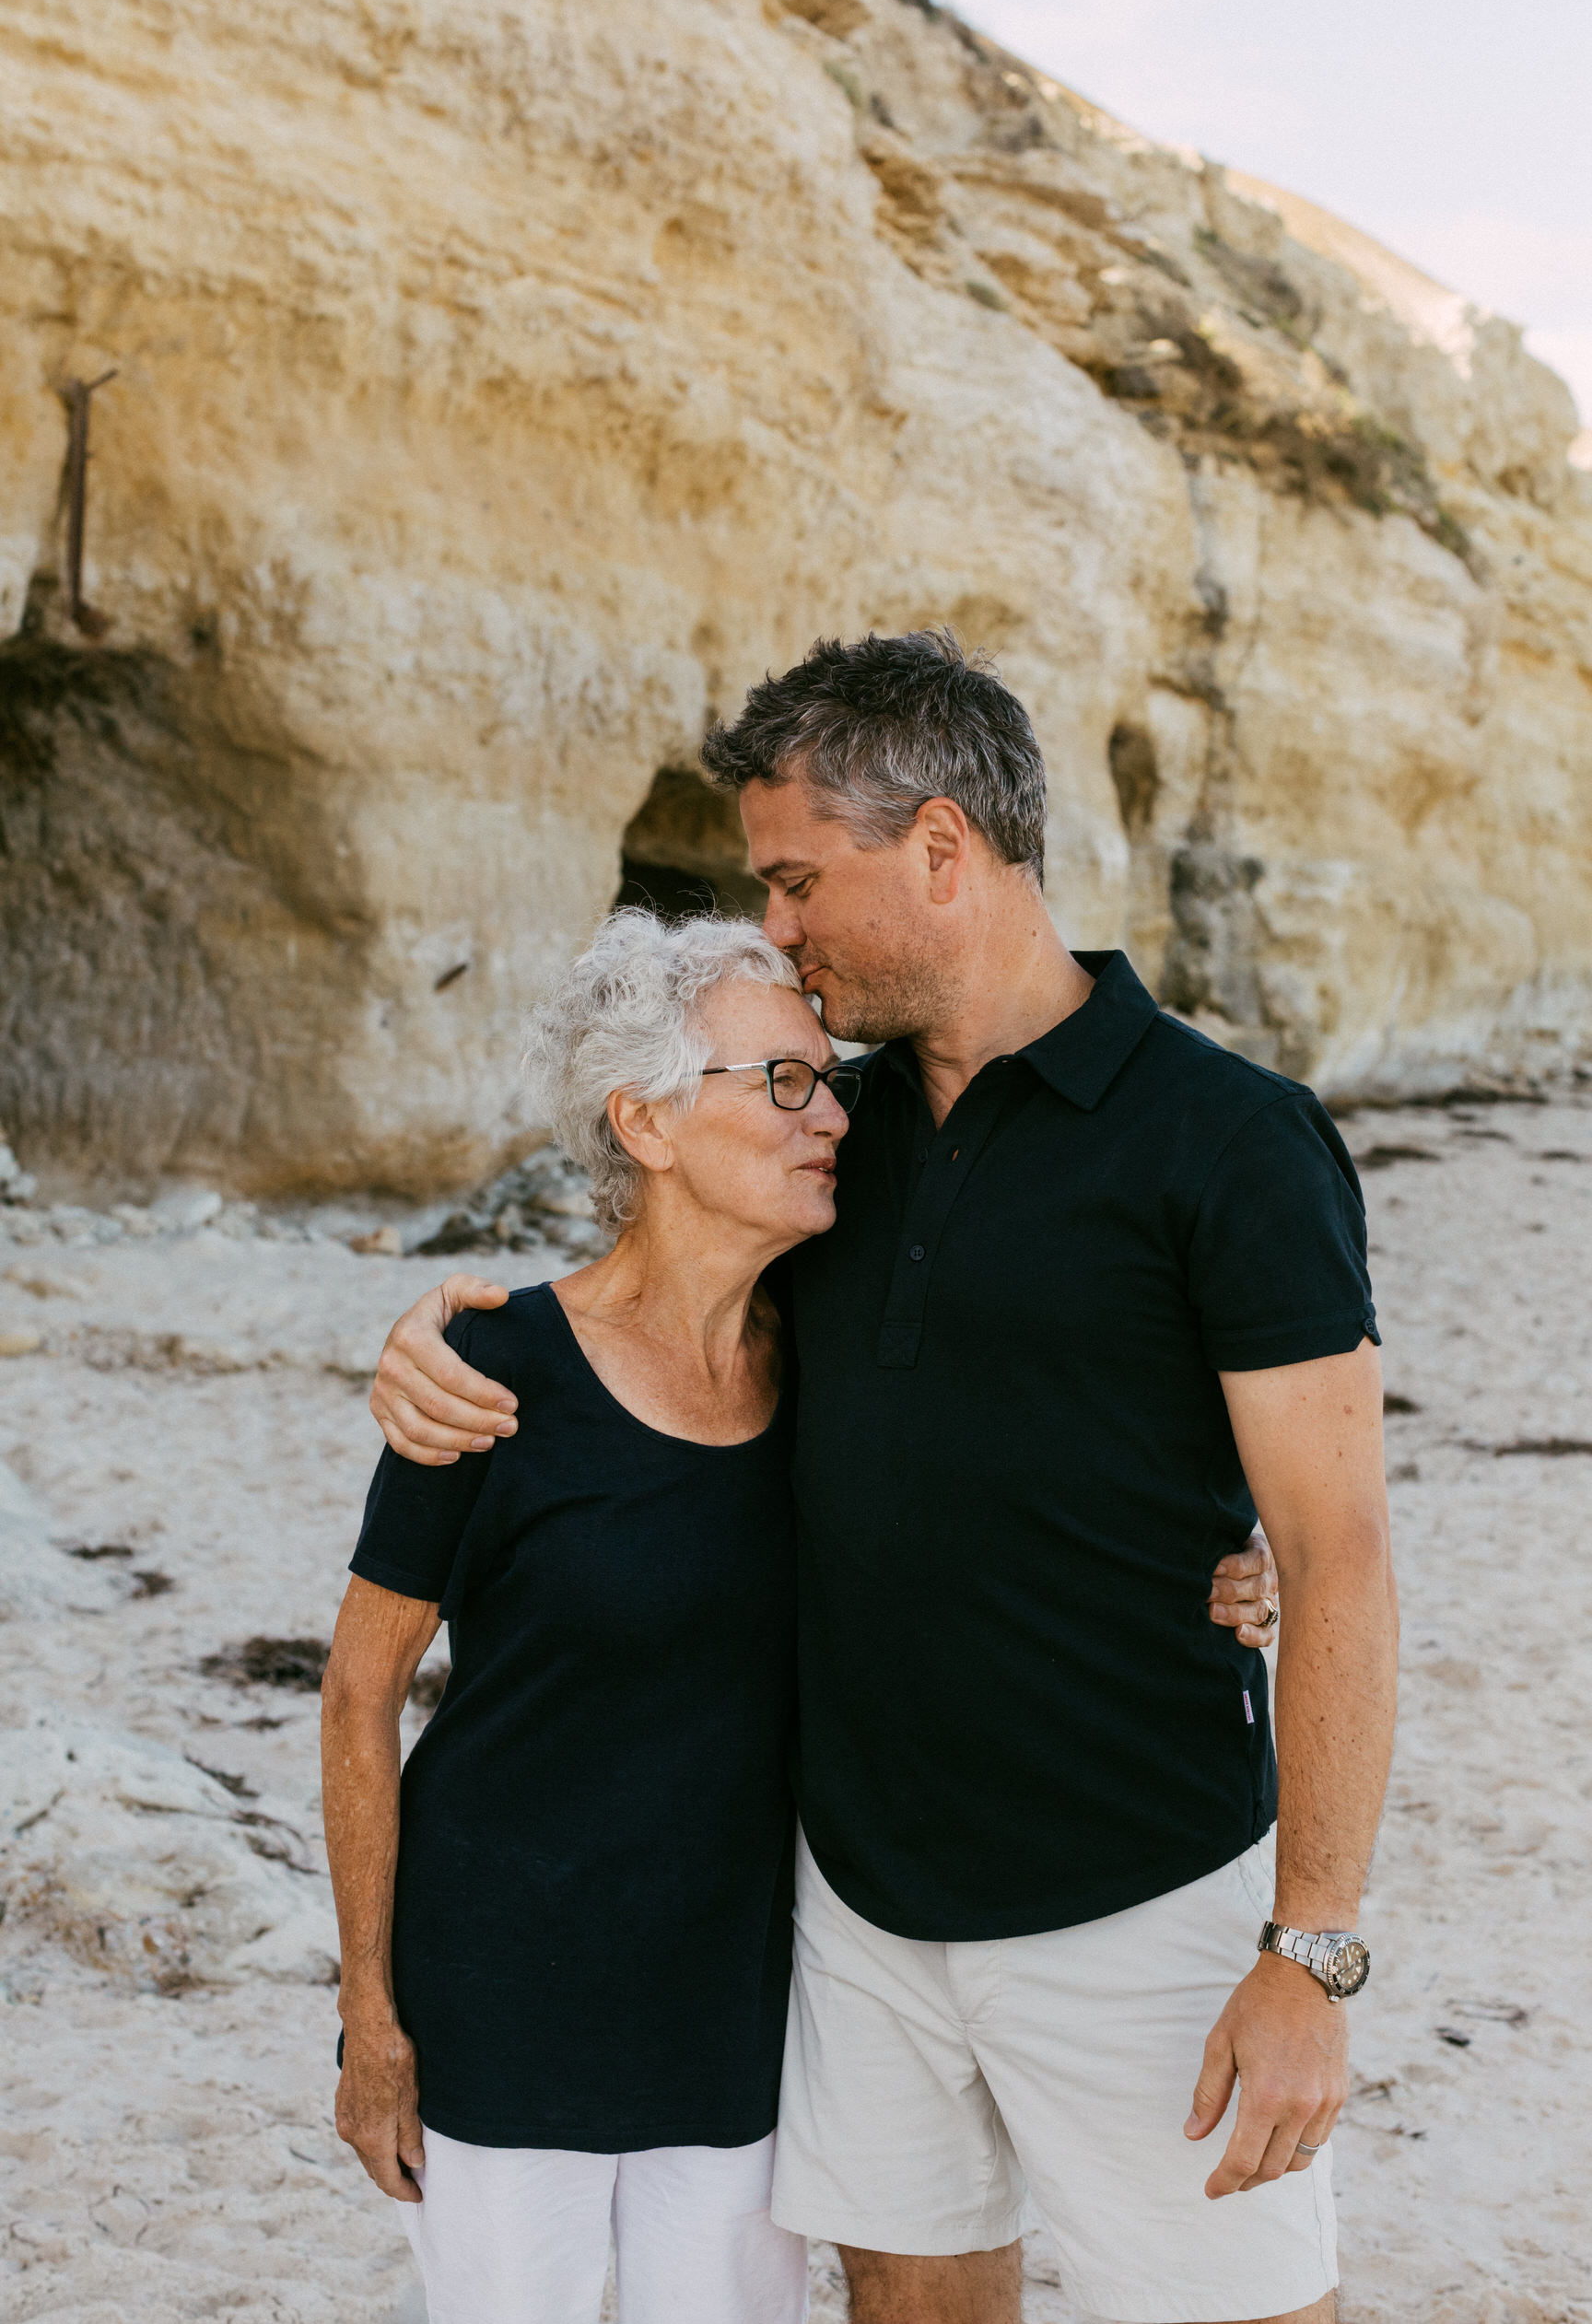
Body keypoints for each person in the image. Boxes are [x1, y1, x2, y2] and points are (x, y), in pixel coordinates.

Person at [369, 629, 1397, 2324]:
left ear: (938, 847)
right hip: (853, 1909)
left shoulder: (1230, 1142)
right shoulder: (827, 1138)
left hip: (1134, 1899)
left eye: (793, 879)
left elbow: (1340, 1551)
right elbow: (643, 1301)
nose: (774, 924)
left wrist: (1312, 1954)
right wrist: (427, 1340)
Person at [322, 913, 859, 2324]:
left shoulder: (841, 1375)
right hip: (501, 1991)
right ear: (648, 1121)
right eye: (786, 1083)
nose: (833, 1117)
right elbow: (358, 1693)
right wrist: (368, 2019)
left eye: (833, 1077)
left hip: (733, 2004)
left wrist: (1232, 1553)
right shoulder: (489, 1371)